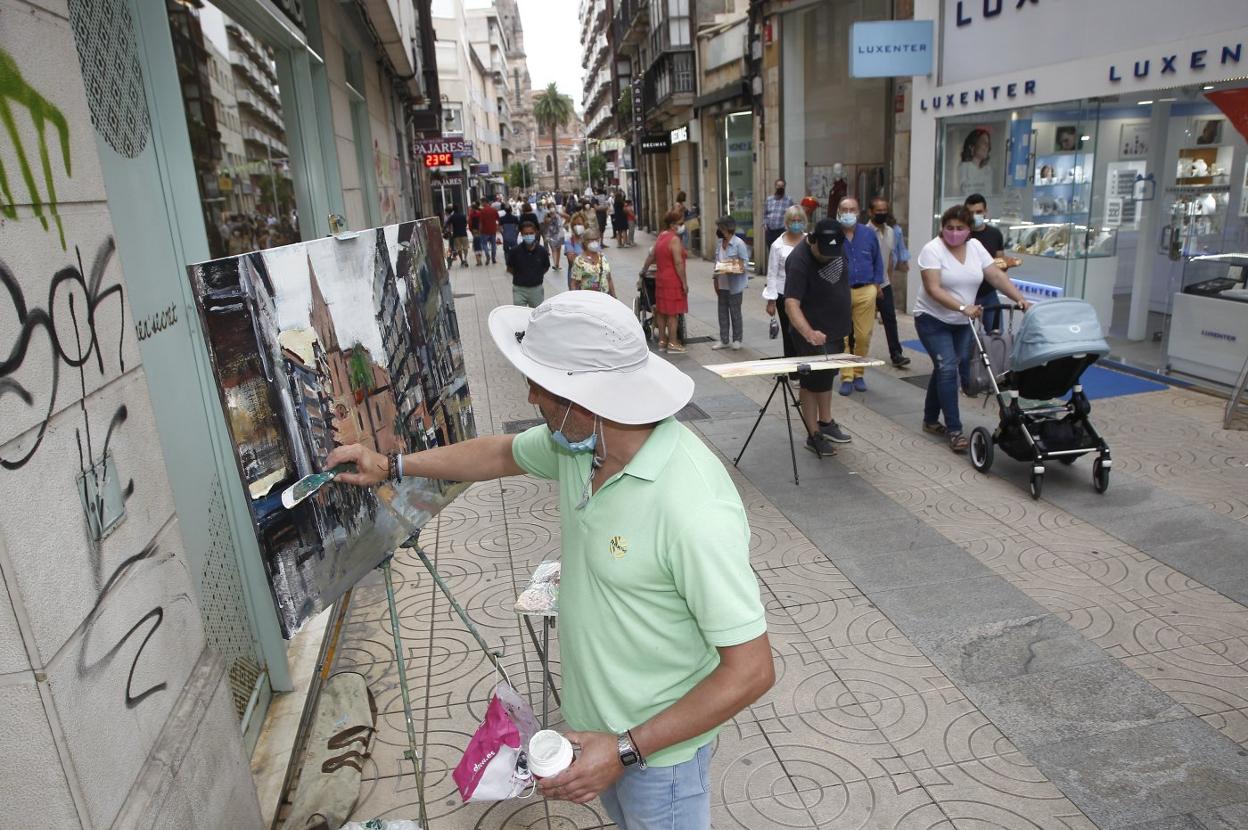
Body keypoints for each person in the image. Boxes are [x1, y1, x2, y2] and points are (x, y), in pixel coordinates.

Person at [325, 291, 774, 830]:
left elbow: (751, 671)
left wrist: (626, 750)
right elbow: (498, 452)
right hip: (600, 732)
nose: (531, 394)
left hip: (660, 760)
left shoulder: (691, 507)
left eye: (541, 385)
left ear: (586, 398)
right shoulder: (583, 449)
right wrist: (393, 463)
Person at [915, 204, 1031, 453]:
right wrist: (962, 307)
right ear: (942, 228)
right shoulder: (932, 250)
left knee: (946, 365)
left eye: (960, 228)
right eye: (949, 228)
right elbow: (934, 289)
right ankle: (955, 430)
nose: (954, 233)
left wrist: (1019, 298)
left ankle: (929, 419)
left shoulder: (976, 248)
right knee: (948, 368)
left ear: (969, 230)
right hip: (932, 319)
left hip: (962, 322)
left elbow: (996, 277)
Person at [784, 219, 854, 455]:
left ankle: (826, 422)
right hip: (811, 334)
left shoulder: (835, 245)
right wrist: (809, 332)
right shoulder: (799, 260)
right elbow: (791, 304)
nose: (829, 257)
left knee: (827, 378)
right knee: (811, 383)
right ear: (812, 240)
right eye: (823, 254)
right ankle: (812, 433)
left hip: (835, 330)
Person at [833, 197, 884, 396]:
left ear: (858, 211)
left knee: (863, 336)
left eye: (851, 209)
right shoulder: (833, 234)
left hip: (865, 289)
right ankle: (846, 376)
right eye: (844, 209)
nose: (848, 212)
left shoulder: (869, 234)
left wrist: (877, 284)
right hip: (841, 291)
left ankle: (858, 372)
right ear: (838, 212)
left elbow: (877, 260)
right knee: (843, 337)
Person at [762, 206, 811, 380]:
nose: (796, 224)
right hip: (785, 294)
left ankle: (808, 368)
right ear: (787, 223)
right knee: (790, 333)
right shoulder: (777, 245)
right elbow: (772, 273)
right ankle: (794, 373)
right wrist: (771, 300)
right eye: (793, 221)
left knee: (806, 332)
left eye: (799, 220)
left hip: (807, 295)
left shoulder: (809, 241)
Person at [867, 197, 912, 368]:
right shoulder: (864, 232)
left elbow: (890, 259)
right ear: (871, 212)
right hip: (867, 284)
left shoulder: (891, 232)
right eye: (878, 211)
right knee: (861, 323)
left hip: (884, 283)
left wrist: (888, 280)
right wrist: (874, 284)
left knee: (890, 318)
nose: (882, 214)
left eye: (884, 211)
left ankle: (896, 353)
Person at [641, 208, 689, 353]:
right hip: (672, 280)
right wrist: (684, 283)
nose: (682, 226)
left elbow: (652, 255)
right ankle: (673, 343)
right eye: (680, 223)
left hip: (660, 278)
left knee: (661, 311)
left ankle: (662, 340)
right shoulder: (674, 239)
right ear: (673, 224)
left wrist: (643, 270)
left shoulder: (661, 236)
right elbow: (678, 263)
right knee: (673, 314)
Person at [964, 193, 1007, 333]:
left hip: (988, 293)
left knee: (996, 334)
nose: (975, 216)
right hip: (966, 294)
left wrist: (1003, 265)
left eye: (979, 212)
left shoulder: (995, 234)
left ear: (985, 212)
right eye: (971, 213)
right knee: (965, 338)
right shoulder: (962, 234)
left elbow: (1001, 262)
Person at [712, 216, 750, 350]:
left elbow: (745, 263)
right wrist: (715, 280)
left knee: (735, 313)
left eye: (720, 227)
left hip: (735, 285)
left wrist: (730, 267)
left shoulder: (739, 243)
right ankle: (724, 340)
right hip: (722, 283)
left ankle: (737, 339)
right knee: (722, 312)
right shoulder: (719, 243)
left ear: (726, 228)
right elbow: (716, 263)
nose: (718, 230)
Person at [506, 218, 550, 308]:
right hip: (519, 289)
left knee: (536, 315)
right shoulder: (515, 251)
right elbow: (509, 268)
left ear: (535, 233)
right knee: (519, 315)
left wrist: (536, 275)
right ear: (521, 234)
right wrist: (521, 276)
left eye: (531, 233)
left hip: (536, 289)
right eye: (526, 234)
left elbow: (546, 267)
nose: (528, 236)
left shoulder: (542, 251)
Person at [568, 227, 616, 295]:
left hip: (605, 298)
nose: (594, 242)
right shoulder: (579, 261)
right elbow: (574, 283)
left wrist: (614, 296)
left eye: (596, 239)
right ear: (584, 241)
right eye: (591, 240)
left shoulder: (602, 257)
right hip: (588, 299)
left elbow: (609, 279)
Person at [958, 129, 993, 197]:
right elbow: (965, 192)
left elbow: (989, 194)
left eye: (988, 143)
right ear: (972, 146)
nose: (987, 146)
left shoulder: (988, 169)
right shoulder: (964, 167)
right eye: (983, 142)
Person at [762, 179, 793, 252]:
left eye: (782, 186)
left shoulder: (789, 200)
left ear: (784, 187)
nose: (780, 188)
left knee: (782, 251)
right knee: (771, 250)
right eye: (778, 186)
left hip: (782, 231)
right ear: (775, 186)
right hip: (770, 231)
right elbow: (765, 214)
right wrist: (764, 224)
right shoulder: (769, 199)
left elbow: (792, 214)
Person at [542, 203, 565, 272]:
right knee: (553, 249)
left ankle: (557, 264)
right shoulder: (547, 215)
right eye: (550, 207)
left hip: (559, 234)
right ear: (548, 209)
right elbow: (546, 222)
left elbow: (566, 217)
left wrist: (558, 213)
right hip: (551, 235)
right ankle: (555, 264)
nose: (552, 208)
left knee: (558, 249)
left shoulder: (558, 214)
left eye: (553, 207)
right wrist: (551, 216)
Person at [564, 216, 586, 284]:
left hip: (590, 278)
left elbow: (598, 257)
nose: (577, 226)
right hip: (575, 278)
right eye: (575, 225)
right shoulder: (569, 241)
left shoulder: (589, 240)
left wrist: (577, 255)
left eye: (579, 224)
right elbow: (571, 259)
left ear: (584, 225)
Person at [478, 199, 500, 264]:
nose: (481, 204)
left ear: (485, 202)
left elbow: (481, 222)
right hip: (493, 230)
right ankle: (493, 258)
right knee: (493, 244)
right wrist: (497, 227)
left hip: (484, 231)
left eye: (482, 203)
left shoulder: (482, 211)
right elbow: (498, 219)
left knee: (484, 244)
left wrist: (480, 230)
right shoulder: (494, 210)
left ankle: (487, 255)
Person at [468, 201, 483, 266]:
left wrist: (471, 230)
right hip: (479, 230)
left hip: (474, 230)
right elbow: (481, 221)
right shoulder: (479, 213)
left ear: (473, 208)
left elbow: (470, 223)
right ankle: (480, 258)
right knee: (479, 243)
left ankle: (478, 261)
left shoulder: (471, 214)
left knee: (476, 244)